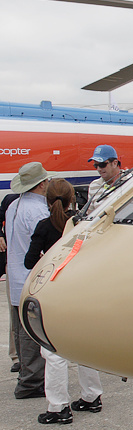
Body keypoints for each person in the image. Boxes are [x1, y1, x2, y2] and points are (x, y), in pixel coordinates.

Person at [26, 179, 103, 424]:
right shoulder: (84, 224)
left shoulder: (44, 227)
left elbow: (29, 262)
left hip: (54, 294)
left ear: (47, 200)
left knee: (53, 352)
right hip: (81, 291)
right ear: (73, 199)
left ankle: (58, 406)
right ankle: (92, 396)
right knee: (85, 346)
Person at [6, 162, 50, 399]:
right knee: (31, 330)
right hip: (29, 276)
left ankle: (25, 371)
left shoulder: (14, 205)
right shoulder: (37, 211)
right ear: (42, 184)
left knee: (19, 328)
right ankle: (31, 381)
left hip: (14, 274)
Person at [2, 191, 19, 372]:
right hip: (15, 267)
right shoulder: (11, 201)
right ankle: (16, 356)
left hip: (18, 267)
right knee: (15, 315)